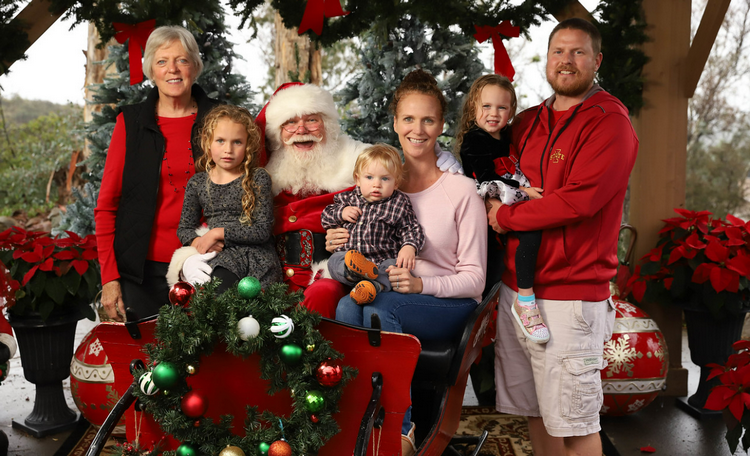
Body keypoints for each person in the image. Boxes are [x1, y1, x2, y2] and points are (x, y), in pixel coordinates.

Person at [488, 18, 638, 456]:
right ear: (548, 59)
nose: (566, 61)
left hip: (570, 298)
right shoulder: (528, 121)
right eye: (558, 52)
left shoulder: (610, 122)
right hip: (518, 291)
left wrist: (508, 216)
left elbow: (578, 202)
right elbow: (495, 177)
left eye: (577, 52)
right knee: (538, 415)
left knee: (574, 424)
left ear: (596, 60)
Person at [335, 69, 487, 456]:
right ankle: (360, 424)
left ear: (440, 126)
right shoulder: (380, 184)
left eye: (428, 120)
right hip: (384, 287)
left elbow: (474, 280)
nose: (417, 129)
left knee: (381, 308)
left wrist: (421, 284)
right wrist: (340, 237)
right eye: (408, 119)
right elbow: (356, 243)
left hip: (448, 302)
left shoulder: (460, 190)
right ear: (395, 122)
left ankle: (400, 432)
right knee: (345, 306)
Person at [254, 82, 462, 318]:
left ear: (328, 125)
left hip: (326, 271)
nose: (301, 129)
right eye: (290, 122)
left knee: (324, 294)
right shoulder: (267, 171)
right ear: (277, 133)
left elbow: (393, 169)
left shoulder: (353, 162)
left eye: (312, 119)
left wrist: (441, 158)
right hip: (273, 271)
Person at [95, 25, 219, 321]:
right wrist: (110, 280)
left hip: (206, 263)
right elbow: (106, 206)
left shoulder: (220, 119)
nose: (172, 69)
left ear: (195, 66)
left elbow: (247, 193)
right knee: (147, 365)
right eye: (162, 61)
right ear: (151, 69)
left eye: (182, 60)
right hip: (141, 272)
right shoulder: (130, 123)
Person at [456, 75, 548, 343]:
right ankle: (516, 306)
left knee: (530, 236)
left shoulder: (508, 136)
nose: (493, 114)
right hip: (485, 209)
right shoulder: (475, 140)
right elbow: (485, 179)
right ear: (474, 107)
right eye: (486, 106)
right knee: (490, 278)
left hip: (509, 201)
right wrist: (525, 192)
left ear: (511, 111)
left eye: (501, 108)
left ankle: (522, 300)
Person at [166, 105, 281, 293]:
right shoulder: (198, 183)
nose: (228, 149)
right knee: (204, 294)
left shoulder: (258, 178)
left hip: (255, 258)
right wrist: (198, 242)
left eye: (237, 142)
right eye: (220, 141)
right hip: (217, 254)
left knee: (226, 290)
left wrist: (217, 233)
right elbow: (184, 228)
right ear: (207, 142)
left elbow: (262, 231)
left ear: (248, 145)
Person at [321, 143, 425, 305]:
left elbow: (411, 228)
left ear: (396, 183)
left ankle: (371, 286)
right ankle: (356, 274)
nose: (377, 184)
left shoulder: (398, 202)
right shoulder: (348, 199)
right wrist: (341, 212)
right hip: (350, 256)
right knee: (334, 261)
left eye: (385, 178)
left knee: (394, 269)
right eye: (369, 177)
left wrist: (409, 246)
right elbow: (325, 217)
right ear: (358, 179)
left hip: (382, 259)